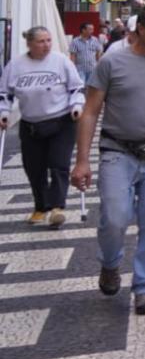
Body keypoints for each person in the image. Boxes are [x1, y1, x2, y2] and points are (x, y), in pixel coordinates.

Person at [71, 5, 145, 316]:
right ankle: (110, 264)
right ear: (141, 29)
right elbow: (90, 112)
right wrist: (82, 161)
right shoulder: (112, 62)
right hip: (117, 152)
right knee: (115, 217)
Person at [0, 27, 86, 226]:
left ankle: (57, 207)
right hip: (31, 124)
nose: (46, 45)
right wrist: (4, 113)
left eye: (48, 40)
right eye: (41, 41)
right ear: (29, 43)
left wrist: (77, 105)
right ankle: (41, 207)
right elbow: (5, 94)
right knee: (34, 168)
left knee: (58, 164)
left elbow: (76, 87)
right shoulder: (16, 65)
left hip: (61, 121)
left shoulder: (61, 61)